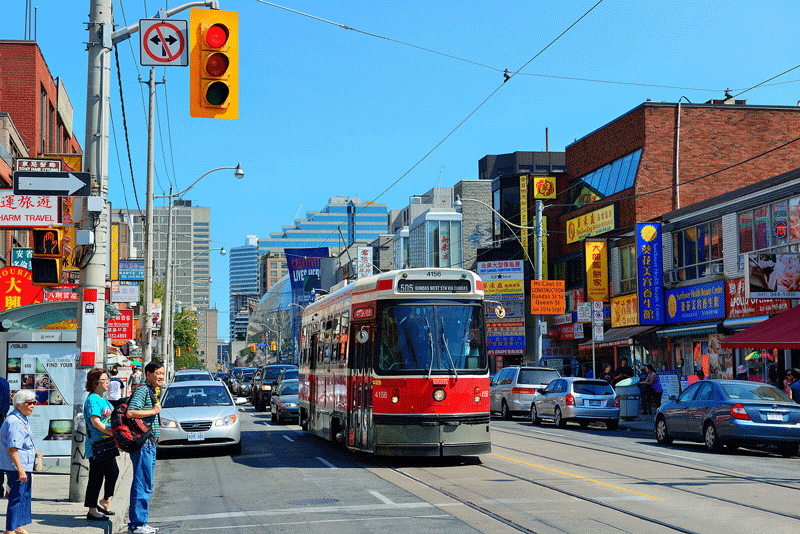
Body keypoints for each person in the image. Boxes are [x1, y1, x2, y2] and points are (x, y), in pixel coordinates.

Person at [126, 361, 165, 534]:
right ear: (148, 374)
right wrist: (154, 412)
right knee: (142, 483)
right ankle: (137, 524)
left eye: (162, 373)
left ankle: (141, 522)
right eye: (158, 373)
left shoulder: (151, 390)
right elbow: (131, 412)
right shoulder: (142, 390)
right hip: (144, 444)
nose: (161, 376)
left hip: (149, 444)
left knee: (146, 483)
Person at [83, 368, 118, 522]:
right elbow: (96, 422)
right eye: (105, 380)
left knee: (113, 472)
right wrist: (113, 433)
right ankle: (92, 510)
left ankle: (105, 501)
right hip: (97, 444)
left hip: (108, 443)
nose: (108, 383)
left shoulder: (103, 399)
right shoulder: (92, 400)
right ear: (96, 383)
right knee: (96, 477)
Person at [0, 390, 38, 534]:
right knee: (17, 498)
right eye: (29, 403)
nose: (32, 406)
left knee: (23, 497)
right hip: (17, 467)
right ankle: (10, 529)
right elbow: (12, 448)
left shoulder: (21, 418)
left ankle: (18, 526)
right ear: (18, 405)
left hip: (23, 465)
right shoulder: (15, 421)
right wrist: (20, 469)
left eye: (34, 402)